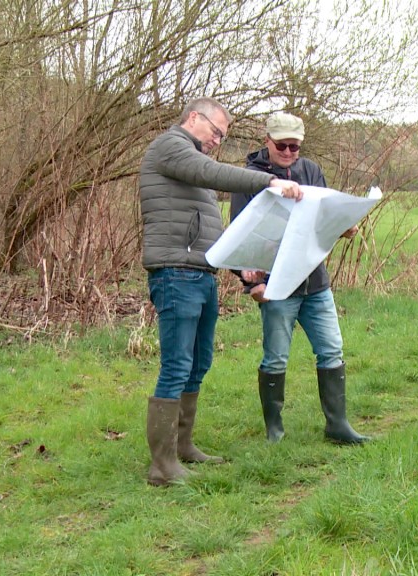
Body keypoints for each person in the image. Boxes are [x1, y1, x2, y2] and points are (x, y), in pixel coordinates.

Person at [138, 97, 304, 486]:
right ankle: (161, 467)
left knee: (198, 364)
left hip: (199, 274)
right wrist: (269, 181)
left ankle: (183, 447)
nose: (216, 141)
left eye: (222, 136)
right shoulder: (171, 146)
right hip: (175, 274)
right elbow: (211, 172)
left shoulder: (188, 156)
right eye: (215, 131)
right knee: (177, 365)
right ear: (194, 117)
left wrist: (239, 265)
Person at [230, 111, 370, 445]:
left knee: (332, 349)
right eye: (283, 145)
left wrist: (343, 227)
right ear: (267, 140)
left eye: (295, 146)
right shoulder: (250, 178)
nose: (290, 152)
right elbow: (238, 236)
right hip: (277, 286)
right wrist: (250, 282)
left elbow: (323, 218)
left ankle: (338, 427)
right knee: (276, 356)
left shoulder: (310, 171)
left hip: (315, 282)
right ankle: (274, 432)